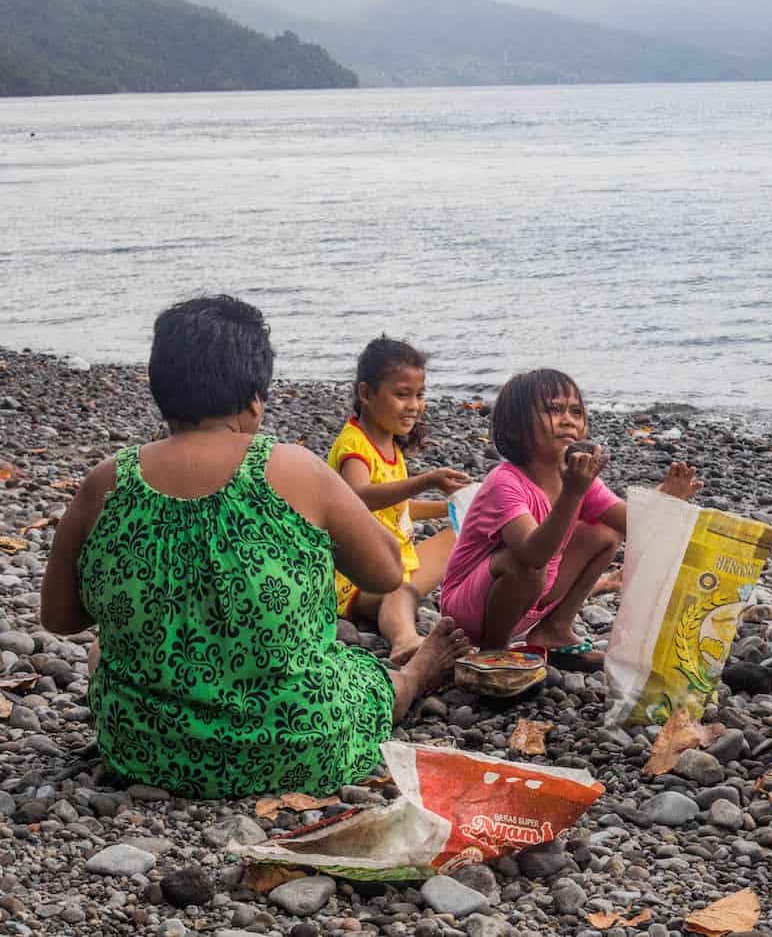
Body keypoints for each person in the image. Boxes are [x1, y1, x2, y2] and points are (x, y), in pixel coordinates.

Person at [40, 296, 470, 798]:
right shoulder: (294, 468)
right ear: (254, 402)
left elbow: (60, 618)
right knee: (362, 676)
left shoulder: (107, 481)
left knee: (102, 650)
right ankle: (416, 675)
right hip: (300, 738)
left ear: (161, 392)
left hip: (146, 749)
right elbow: (386, 573)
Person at [439, 368, 701, 666]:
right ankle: (494, 651)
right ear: (515, 428)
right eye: (554, 409)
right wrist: (573, 494)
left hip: (534, 597)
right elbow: (532, 554)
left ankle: (555, 629)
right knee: (525, 564)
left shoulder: (579, 479)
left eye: (576, 411)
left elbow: (631, 526)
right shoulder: (505, 481)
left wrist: (665, 500)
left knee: (605, 533)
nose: (569, 419)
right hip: (470, 611)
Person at [327, 337, 470, 665]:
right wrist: (426, 481)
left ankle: (470, 604)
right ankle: (404, 640)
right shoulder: (354, 447)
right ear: (366, 394)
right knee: (398, 589)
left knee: (461, 534)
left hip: (398, 562)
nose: (413, 405)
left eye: (419, 395)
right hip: (359, 578)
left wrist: (454, 505)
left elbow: (396, 509)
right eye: (401, 395)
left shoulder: (389, 445)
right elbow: (360, 499)